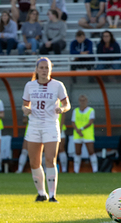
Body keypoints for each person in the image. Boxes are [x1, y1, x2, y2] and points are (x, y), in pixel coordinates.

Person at [22, 57, 70, 202]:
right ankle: (41, 193)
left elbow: (67, 104)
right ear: (36, 69)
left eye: (46, 68)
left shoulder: (58, 85)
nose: (44, 70)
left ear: (50, 69)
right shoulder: (30, 86)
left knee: (50, 160)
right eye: (41, 68)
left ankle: (53, 195)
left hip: (50, 125)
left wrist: (61, 109)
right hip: (34, 125)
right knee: (34, 162)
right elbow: (25, 105)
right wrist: (25, 110)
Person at [71, 95, 98, 173]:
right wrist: (77, 130)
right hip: (77, 134)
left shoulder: (91, 110)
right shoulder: (75, 110)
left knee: (91, 151)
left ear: (86, 101)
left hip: (87, 134)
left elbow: (90, 122)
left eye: (84, 100)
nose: (82, 102)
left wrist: (81, 129)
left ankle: (95, 169)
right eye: (81, 100)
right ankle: (76, 170)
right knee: (77, 152)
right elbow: (73, 122)